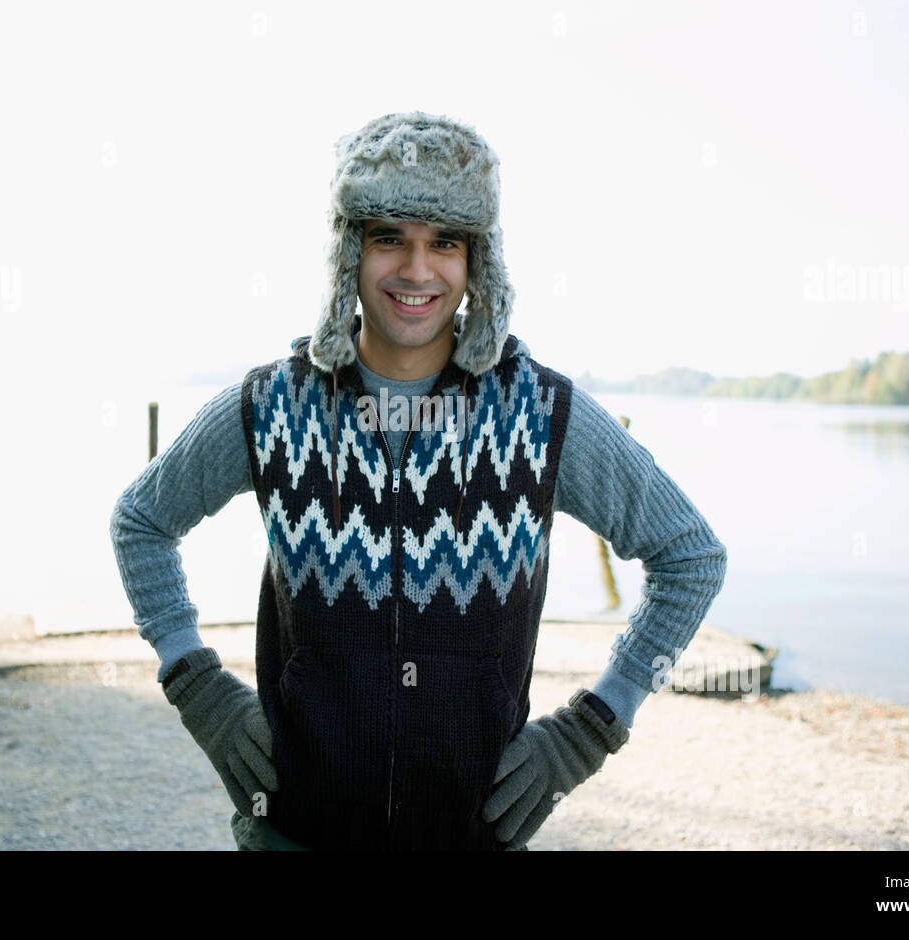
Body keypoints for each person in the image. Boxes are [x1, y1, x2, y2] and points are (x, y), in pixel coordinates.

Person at [109, 111, 728, 851]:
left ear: (477, 264)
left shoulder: (540, 412)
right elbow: (141, 521)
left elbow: (691, 557)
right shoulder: (274, 404)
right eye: (388, 238)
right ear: (350, 252)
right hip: (294, 834)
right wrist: (195, 682)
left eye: (445, 243)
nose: (416, 269)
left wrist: (592, 727)